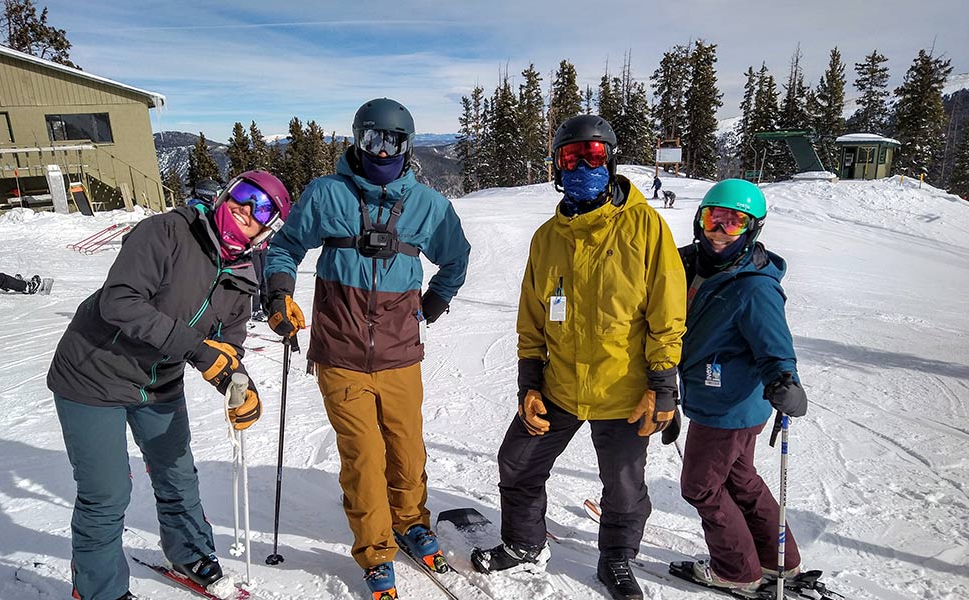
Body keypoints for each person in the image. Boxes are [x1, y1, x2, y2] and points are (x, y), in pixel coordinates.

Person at [46, 170, 291, 600]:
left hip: (158, 382)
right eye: (244, 195)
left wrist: (239, 384)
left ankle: (190, 553)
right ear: (227, 193)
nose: (248, 210)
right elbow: (119, 302)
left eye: (262, 210)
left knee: (177, 476)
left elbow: (226, 347)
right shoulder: (165, 232)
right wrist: (198, 350)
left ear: (266, 231)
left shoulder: (243, 278)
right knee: (107, 493)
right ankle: (99, 591)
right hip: (92, 374)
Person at [470, 115, 687, 600]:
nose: (583, 165)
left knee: (624, 487)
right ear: (556, 166)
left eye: (592, 155)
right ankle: (525, 544)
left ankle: (617, 558)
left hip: (625, 391)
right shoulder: (548, 238)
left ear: (610, 160)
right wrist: (529, 384)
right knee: (518, 463)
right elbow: (532, 318)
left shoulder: (645, 227)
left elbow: (667, 314)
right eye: (571, 157)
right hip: (560, 385)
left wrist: (663, 385)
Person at [263, 98, 471, 600]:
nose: (383, 151)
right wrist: (279, 292)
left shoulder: (428, 205)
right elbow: (284, 246)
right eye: (372, 140)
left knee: (406, 448)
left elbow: (456, 258)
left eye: (393, 142)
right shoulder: (327, 195)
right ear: (357, 141)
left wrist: (434, 302)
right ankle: (376, 550)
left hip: (400, 353)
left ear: (408, 146)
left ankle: (411, 522)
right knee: (363, 455)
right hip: (339, 352)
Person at [670, 179, 808, 592]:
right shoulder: (692, 264)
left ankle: (736, 569)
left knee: (701, 486)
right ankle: (778, 560)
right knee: (740, 477)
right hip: (724, 400)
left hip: (728, 404)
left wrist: (786, 381)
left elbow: (775, 346)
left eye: (733, 224)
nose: (719, 232)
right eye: (714, 219)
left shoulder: (753, 285)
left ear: (751, 229)